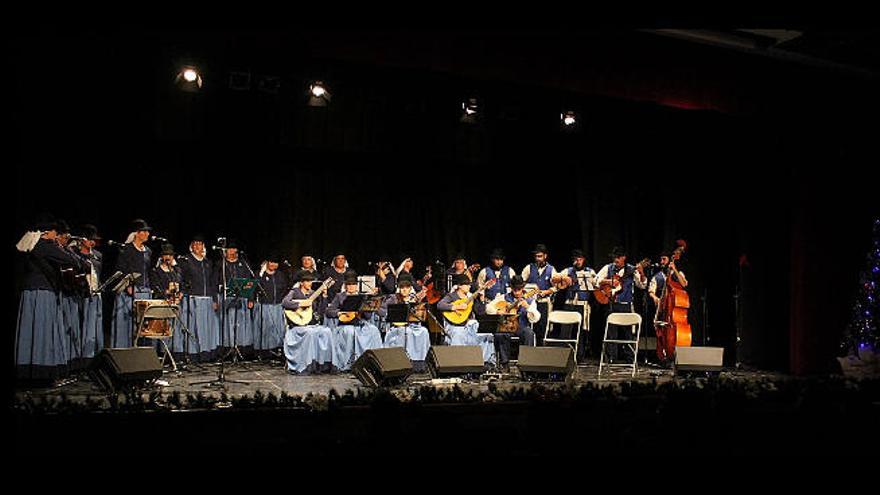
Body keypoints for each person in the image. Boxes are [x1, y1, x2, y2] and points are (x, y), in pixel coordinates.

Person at [15, 215, 85, 381]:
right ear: (49, 232)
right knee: (42, 329)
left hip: (29, 292)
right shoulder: (45, 245)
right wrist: (64, 248)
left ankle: (27, 370)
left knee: (30, 331)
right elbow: (73, 262)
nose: (56, 235)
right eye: (55, 232)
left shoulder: (31, 244)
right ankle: (42, 371)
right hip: (43, 292)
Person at [595, 247, 648, 363]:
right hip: (611, 304)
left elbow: (642, 285)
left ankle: (630, 359)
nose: (616, 259)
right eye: (614, 257)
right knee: (611, 333)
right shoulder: (608, 268)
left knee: (627, 334)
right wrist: (608, 282)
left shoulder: (631, 270)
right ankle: (611, 359)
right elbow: (595, 280)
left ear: (624, 258)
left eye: (618, 257)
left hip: (625, 304)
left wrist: (641, 272)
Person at [325, 271, 383, 371]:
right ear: (345, 286)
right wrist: (339, 313)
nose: (351, 287)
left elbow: (368, 316)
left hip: (360, 323)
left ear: (357, 286)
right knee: (350, 332)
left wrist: (366, 309)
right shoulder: (340, 296)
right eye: (349, 285)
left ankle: (372, 362)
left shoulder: (363, 296)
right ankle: (348, 363)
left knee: (373, 330)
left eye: (353, 284)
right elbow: (328, 312)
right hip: (345, 325)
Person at [110, 219, 154, 348]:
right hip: (130, 293)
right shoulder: (127, 249)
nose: (147, 234)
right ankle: (124, 351)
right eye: (144, 232)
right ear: (137, 233)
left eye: (147, 232)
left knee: (143, 325)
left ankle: (142, 351)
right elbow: (120, 269)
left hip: (144, 291)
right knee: (127, 324)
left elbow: (148, 271)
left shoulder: (148, 251)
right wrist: (128, 285)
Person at [281, 270, 335, 373]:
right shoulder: (295, 291)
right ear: (301, 282)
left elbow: (321, 311)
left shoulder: (313, 294)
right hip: (297, 325)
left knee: (327, 331)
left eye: (311, 281)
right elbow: (285, 303)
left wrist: (324, 296)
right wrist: (301, 304)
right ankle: (307, 364)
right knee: (310, 333)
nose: (309, 283)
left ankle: (322, 364)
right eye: (307, 281)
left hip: (311, 324)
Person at [436, 273, 496, 365]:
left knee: (488, 335)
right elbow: (440, 305)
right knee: (459, 333)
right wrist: (456, 307)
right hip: (453, 326)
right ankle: (459, 363)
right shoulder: (452, 296)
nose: (469, 286)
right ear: (459, 286)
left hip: (469, 327)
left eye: (469, 284)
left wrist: (482, 299)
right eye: (466, 284)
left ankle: (485, 363)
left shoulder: (471, 297)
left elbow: (480, 312)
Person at [177, 234, 219, 360]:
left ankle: (206, 353)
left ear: (203, 246)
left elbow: (212, 282)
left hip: (207, 299)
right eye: (194, 244)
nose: (197, 246)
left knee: (206, 328)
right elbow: (181, 279)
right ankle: (192, 354)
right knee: (193, 328)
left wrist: (214, 299)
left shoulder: (207, 262)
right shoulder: (186, 260)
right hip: (193, 298)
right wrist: (183, 292)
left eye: (199, 244)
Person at [485, 275, 538, 371]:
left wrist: (528, 307)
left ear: (523, 288)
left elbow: (535, 318)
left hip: (521, 326)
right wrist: (497, 312)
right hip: (507, 326)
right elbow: (488, 307)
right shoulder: (503, 297)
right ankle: (504, 363)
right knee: (500, 334)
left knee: (529, 333)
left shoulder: (530, 300)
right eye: (514, 289)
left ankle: (526, 364)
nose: (517, 292)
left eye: (519, 289)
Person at [378, 273, 430, 364]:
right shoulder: (393, 298)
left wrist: (419, 303)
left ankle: (420, 360)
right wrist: (389, 314)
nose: (404, 290)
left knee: (424, 331)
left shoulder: (414, 298)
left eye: (407, 287)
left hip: (413, 325)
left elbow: (422, 313)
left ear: (410, 288)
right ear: (399, 288)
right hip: (398, 326)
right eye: (402, 288)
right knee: (405, 332)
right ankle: (403, 361)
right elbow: (380, 309)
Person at [520, 243, 559, 344]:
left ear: (545, 256)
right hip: (531, 302)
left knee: (542, 327)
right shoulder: (529, 267)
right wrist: (528, 288)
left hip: (544, 302)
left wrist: (546, 291)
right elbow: (520, 282)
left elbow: (556, 287)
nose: (538, 258)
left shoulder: (551, 269)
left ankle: (541, 350)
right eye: (536, 256)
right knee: (530, 327)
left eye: (540, 256)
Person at [254, 253, 290, 355]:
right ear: (267, 263)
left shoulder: (280, 275)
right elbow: (255, 287)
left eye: (276, 263)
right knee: (265, 329)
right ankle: (264, 351)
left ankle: (276, 349)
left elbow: (285, 289)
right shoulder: (260, 274)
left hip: (277, 306)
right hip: (264, 305)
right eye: (271, 262)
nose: (274, 264)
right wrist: (261, 274)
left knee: (277, 329)